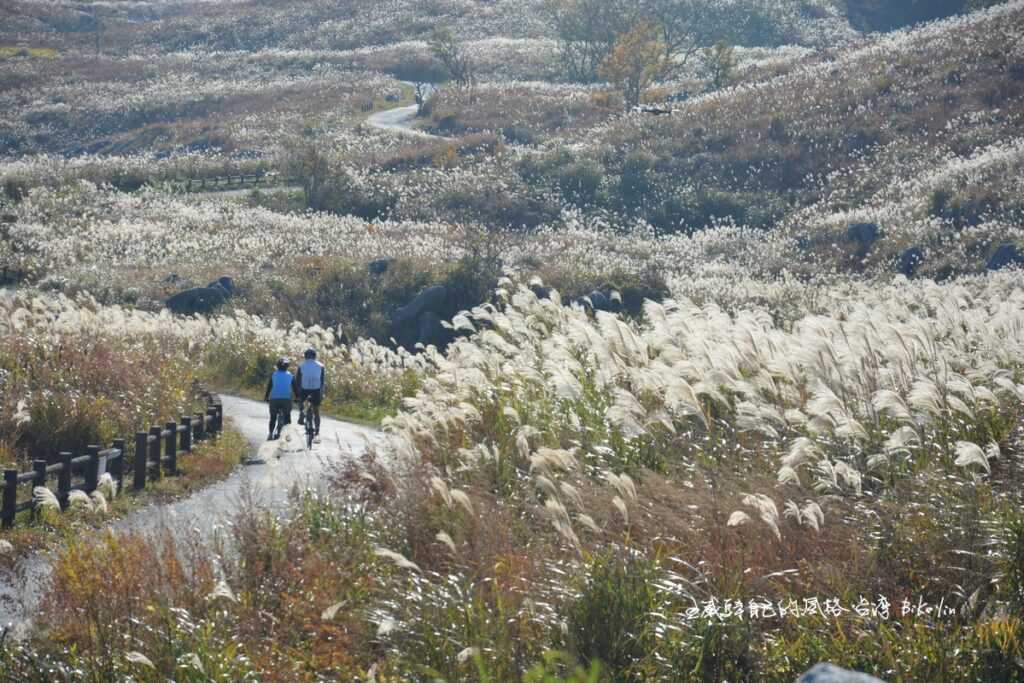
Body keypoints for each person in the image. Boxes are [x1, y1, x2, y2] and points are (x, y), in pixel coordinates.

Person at [295, 347, 325, 439]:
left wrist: (297, 393)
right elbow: (322, 381)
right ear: (315, 356)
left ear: (305, 356)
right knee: (316, 411)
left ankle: (301, 413)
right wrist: (321, 392)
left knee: (300, 399)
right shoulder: (321, 366)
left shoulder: (301, 365)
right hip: (316, 390)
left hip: (305, 389)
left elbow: (297, 380)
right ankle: (317, 432)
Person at [264, 357, 296, 440]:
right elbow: (295, 388)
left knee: (273, 417)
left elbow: (269, 387)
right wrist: (298, 398)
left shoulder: (273, 375)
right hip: (286, 400)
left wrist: (266, 396)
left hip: (274, 399)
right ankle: (287, 435)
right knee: (287, 417)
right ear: (287, 366)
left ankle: (270, 433)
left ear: (277, 366)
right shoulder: (291, 376)